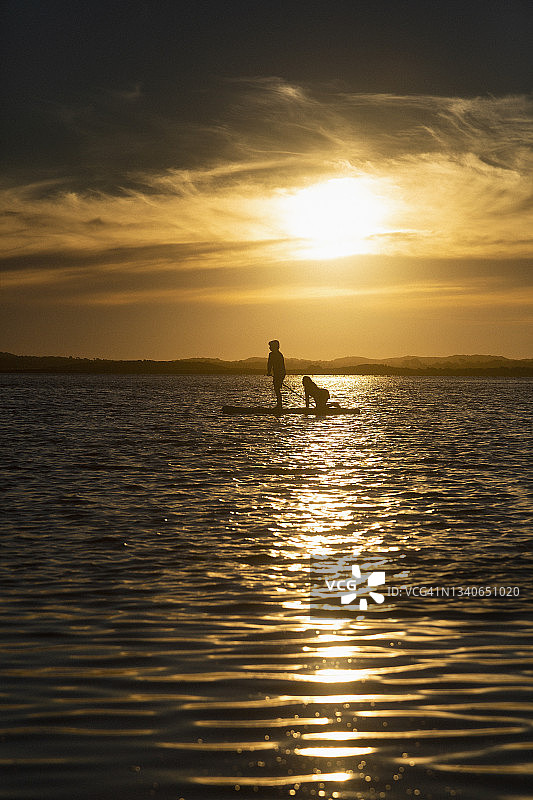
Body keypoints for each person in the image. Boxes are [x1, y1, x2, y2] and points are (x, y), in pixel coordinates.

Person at [267, 339, 286, 409]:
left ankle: (279, 405)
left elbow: (271, 364)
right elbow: (270, 364)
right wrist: (269, 372)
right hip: (277, 374)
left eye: (270, 346)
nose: (269, 348)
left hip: (280, 374)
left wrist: (270, 372)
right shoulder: (273, 354)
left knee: (277, 389)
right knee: (277, 389)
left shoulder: (278, 355)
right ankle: (279, 404)